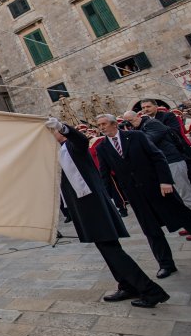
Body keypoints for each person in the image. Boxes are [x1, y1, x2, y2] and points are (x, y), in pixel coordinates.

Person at [46, 117, 170, 308]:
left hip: (93, 204)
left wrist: (62, 126)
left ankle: (150, 291)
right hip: (82, 207)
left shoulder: (73, 146)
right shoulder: (55, 154)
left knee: (112, 250)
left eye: (51, 132)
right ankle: (126, 285)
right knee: (106, 249)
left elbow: (81, 139)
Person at [95, 113, 191, 280]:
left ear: (114, 124)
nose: (101, 127)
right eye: (99, 125)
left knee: (184, 216)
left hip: (157, 187)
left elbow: (157, 157)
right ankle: (166, 264)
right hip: (135, 194)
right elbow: (105, 175)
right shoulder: (102, 148)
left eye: (104, 124)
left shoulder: (136, 136)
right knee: (151, 230)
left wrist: (165, 181)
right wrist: (111, 199)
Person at [124, 110, 191, 216]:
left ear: (138, 116)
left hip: (173, 160)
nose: (130, 123)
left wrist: (131, 134)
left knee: (185, 193)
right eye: (127, 122)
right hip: (163, 164)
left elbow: (148, 141)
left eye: (131, 120)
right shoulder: (137, 130)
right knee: (177, 195)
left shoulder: (152, 123)